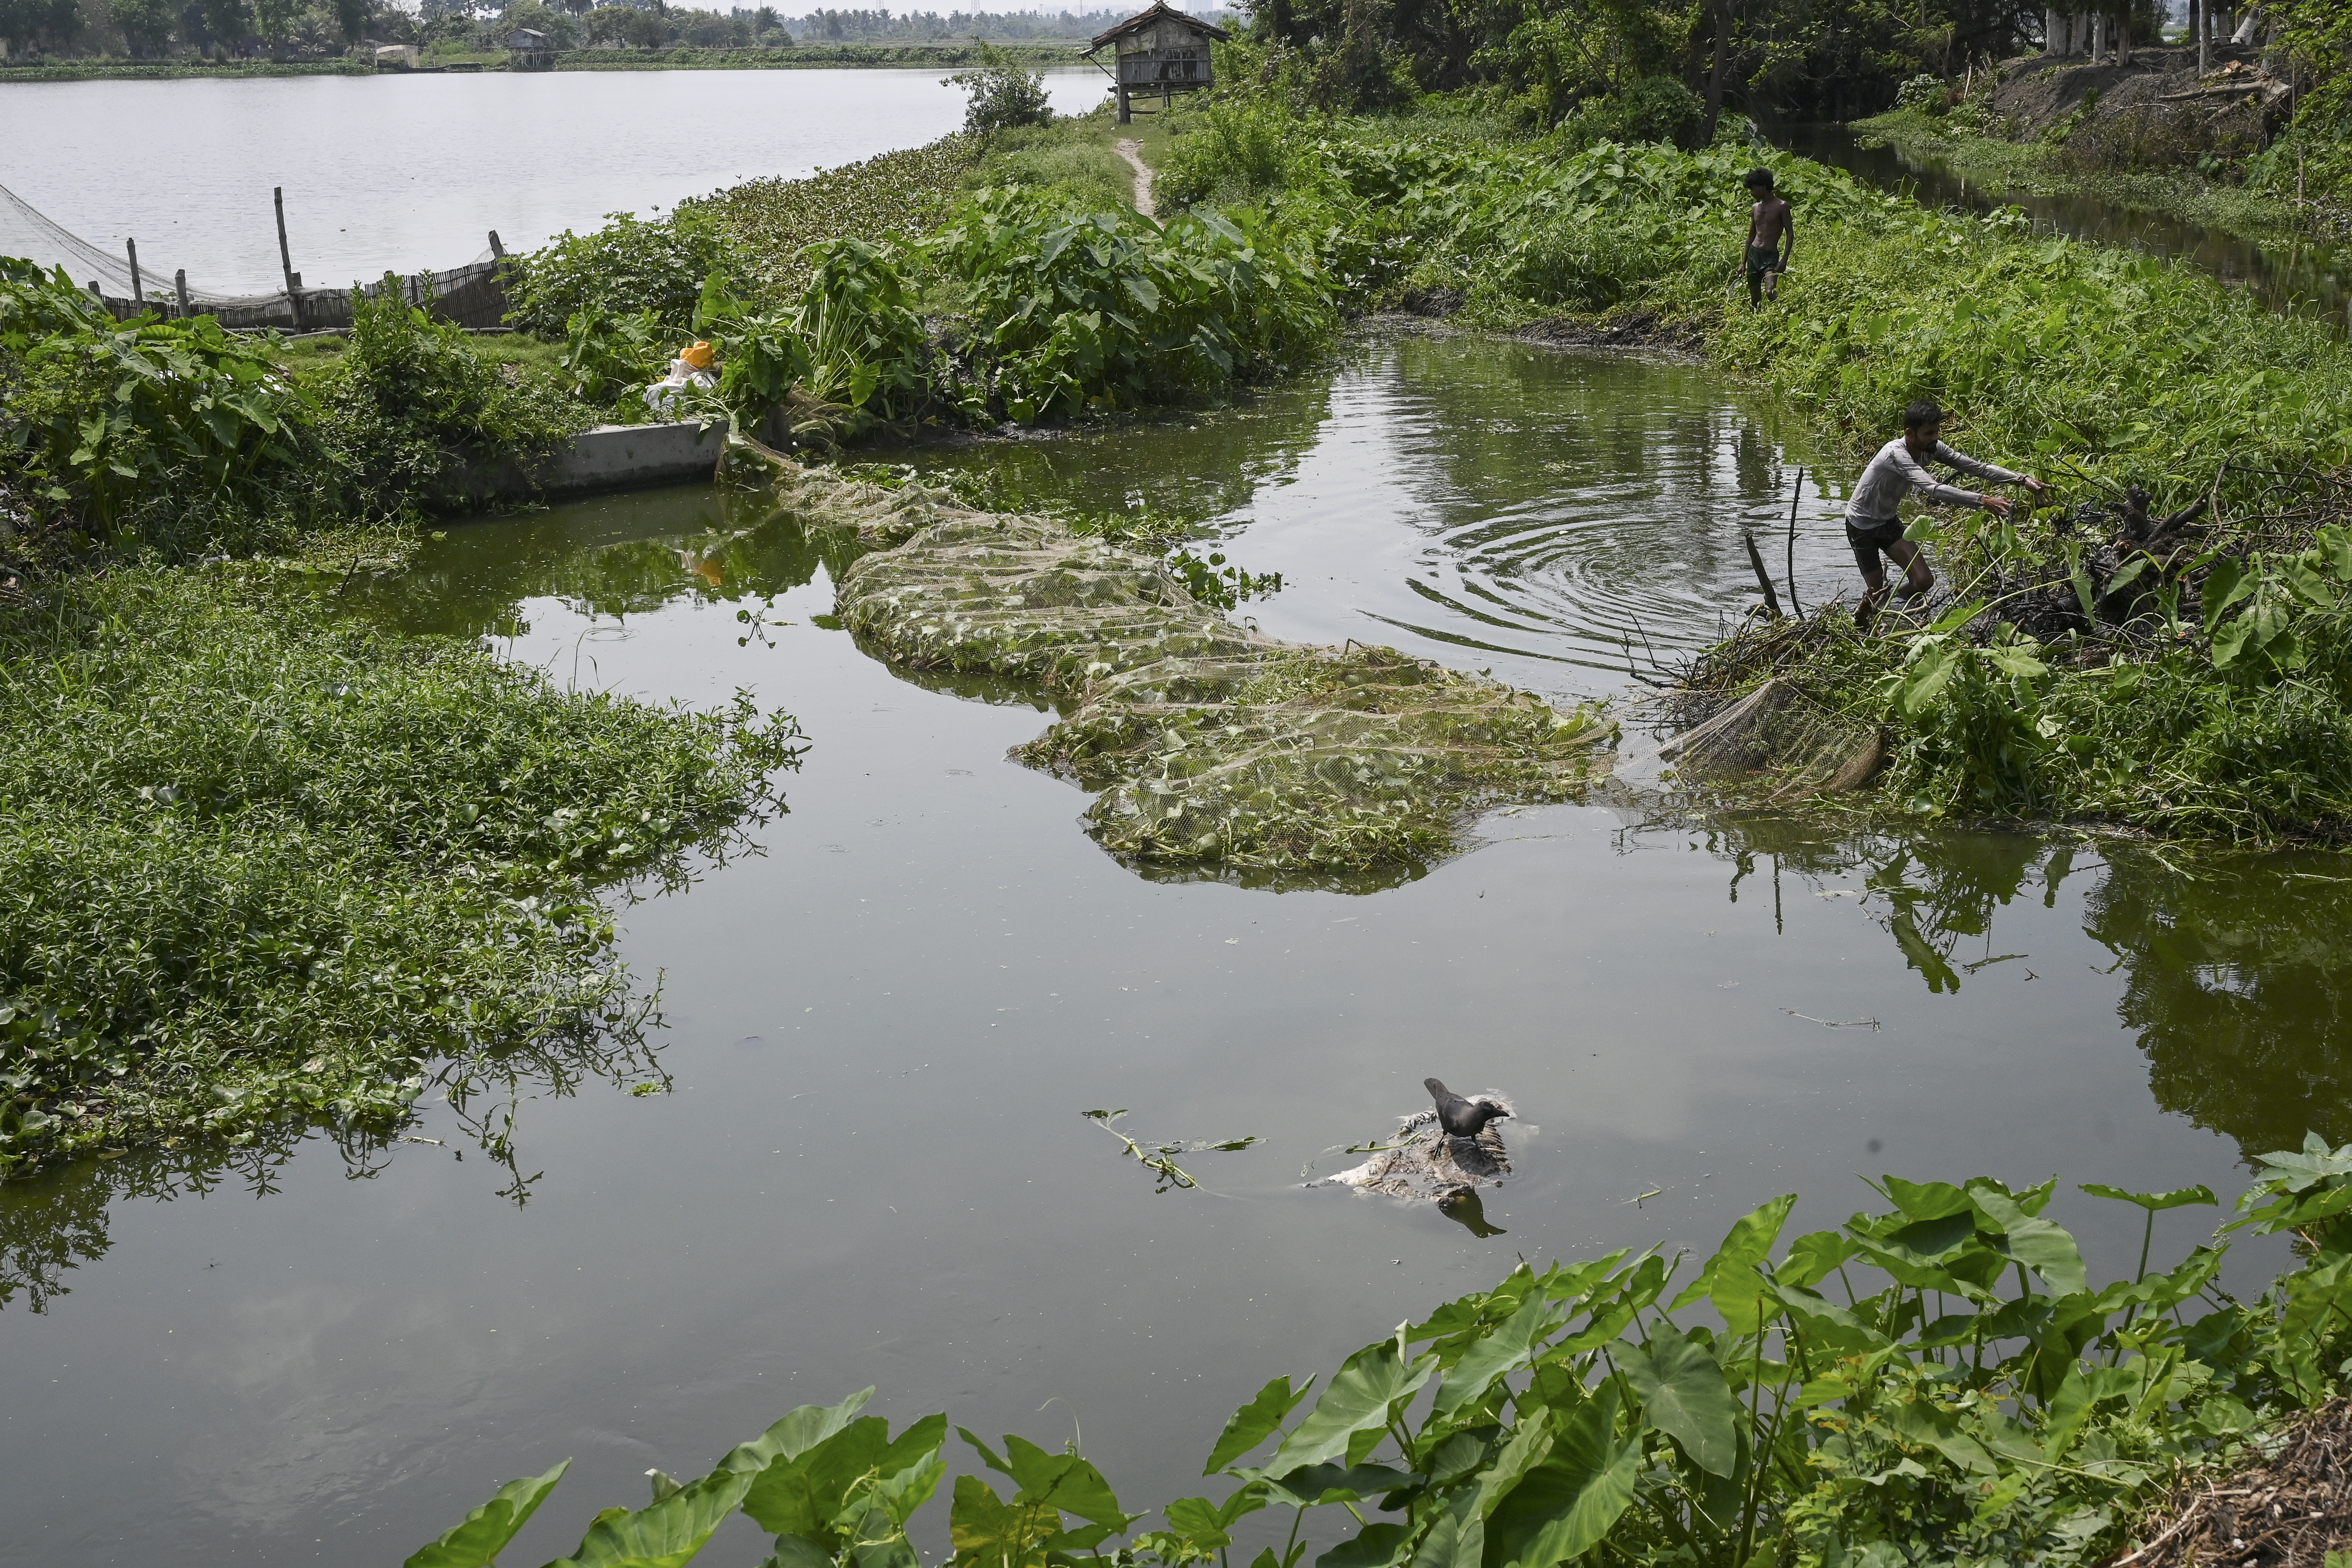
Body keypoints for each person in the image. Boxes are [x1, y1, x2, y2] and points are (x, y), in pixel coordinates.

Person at [1847, 400, 2048, 627]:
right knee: (1875, 593)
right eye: (1929, 433)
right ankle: (1864, 622)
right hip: (1861, 525)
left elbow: (1977, 468)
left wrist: (2022, 479)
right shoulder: (1896, 454)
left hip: (1887, 521)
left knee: (1923, 581)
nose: (1935, 437)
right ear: (1910, 434)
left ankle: (1895, 608)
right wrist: (1982, 500)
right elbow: (1932, 489)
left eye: (1937, 431)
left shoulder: (1932, 449)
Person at [1742, 168, 1793, 308]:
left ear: (1764, 187)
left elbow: (1790, 234)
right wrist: (1743, 262)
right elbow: (1751, 235)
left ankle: (1785, 314)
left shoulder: (1782, 206)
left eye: (1753, 189)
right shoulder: (1755, 208)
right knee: (1755, 299)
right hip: (1754, 255)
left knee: (1771, 292)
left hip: (1770, 256)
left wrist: (1784, 260)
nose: (1752, 193)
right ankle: (1755, 323)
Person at [644, 340, 718, 416]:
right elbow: (704, 389)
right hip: (665, 400)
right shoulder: (699, 376)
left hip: (654, 397)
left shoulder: (689, 371)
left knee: (659, 391)